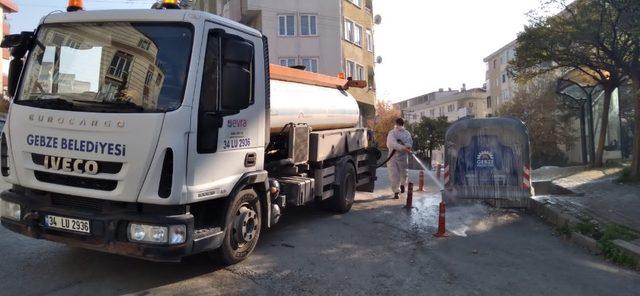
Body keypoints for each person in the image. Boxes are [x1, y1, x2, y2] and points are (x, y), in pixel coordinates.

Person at [386, 118, 413, 199]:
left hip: (403, 157)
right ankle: (396, 192)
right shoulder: (392, 133)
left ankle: (402, 184)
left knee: (404, 174)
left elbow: (409, 143)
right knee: (394, 175)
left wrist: (407, 147)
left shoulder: (406, 133)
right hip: (392, 157)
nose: (399, 126)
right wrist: (402, 147)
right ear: (397, 123)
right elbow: (392, 143)